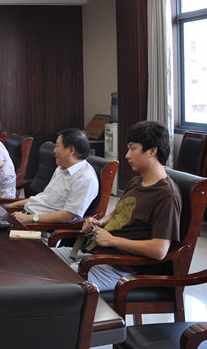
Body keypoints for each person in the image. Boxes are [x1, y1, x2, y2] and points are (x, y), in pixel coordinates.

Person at [52, 120, 182, 292]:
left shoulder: (166, 195)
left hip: (118, 267)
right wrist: (99, 222)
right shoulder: (137, 182)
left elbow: (159, 250)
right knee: (42, 259)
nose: (127, 155)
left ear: (152, 151)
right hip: (95, 253)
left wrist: (112, 240)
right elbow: (117, 214)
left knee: (54, 283)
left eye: (133, 149)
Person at [6, 128, 99, 225]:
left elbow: (68, 216)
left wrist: (30, 218)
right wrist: (9, 206)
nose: (54, 150)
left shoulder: (86, 178)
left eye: (57, 146)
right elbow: (44, 198)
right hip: (26, 215)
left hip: (38, 225)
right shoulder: (61, 168)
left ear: (71, 150)